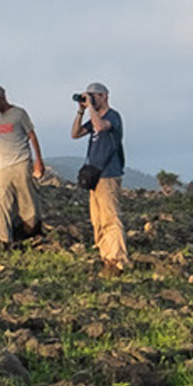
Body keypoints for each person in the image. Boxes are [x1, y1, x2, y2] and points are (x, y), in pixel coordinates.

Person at [70, 80, 129, 272]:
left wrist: (91, 109)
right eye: (89, 95)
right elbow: (75, 134)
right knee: (97, 218)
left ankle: (118, 258)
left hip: (109, 173)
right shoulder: (93, 117)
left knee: (110, 216)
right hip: (95, 174)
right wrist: (80, 111)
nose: (91, 99)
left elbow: (101, 127)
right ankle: (106, 256)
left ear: (104, 96)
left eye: (94, 95)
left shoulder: (113, 116)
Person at [0, 85, 46, 246]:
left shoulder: (19, 114)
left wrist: (38, 161)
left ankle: (32, 232)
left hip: (21, 162)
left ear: (2, 99)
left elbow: (32, 136)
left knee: (27, 200)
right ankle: (4, 240)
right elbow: (1, 141)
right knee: (3, 201)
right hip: (5, 165)